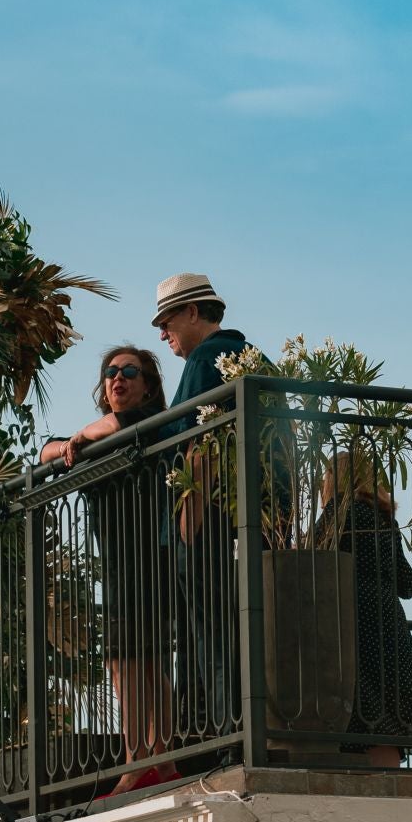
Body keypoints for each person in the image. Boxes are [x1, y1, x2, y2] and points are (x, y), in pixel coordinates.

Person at [42, 346, 176, 793]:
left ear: (148, 385)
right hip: (120, 562)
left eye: (129, 372)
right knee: (140, 655)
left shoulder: (150, 420)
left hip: (146, 555)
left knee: (130, 658)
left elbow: (115, 425)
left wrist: (80, 440)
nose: (117, 379)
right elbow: (45, 453)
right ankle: (160, 756)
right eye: (110, 373)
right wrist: (71, 444)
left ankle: (138, 759)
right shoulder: (98, 436)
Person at [153, 273, 274, 738]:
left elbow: (191, 435)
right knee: (235, 630)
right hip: (248, 520)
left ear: (191, 312)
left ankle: (224, 736)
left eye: (166, 321)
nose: (163, 334)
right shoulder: (251, 356)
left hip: (208, 521)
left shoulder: (206, 357)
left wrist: (189, 513)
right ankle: (234, 732)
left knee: (211, 635)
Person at [316, 445, 412, 766]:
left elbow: (308, 565)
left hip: (353, 631)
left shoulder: (337, 516)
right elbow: (406, 584)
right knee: (389, 726)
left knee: (362, 722)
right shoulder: (385, 522)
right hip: (391, 631)